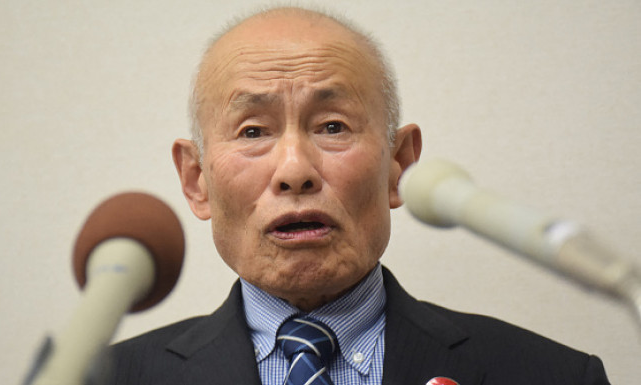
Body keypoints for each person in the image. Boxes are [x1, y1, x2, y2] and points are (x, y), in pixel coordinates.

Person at [106, 6, 610, 385]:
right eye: (254, 132)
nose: (294, 170)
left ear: (399, 166)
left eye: (332, 125)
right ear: (197, 180)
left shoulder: (553, 375)